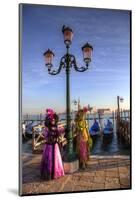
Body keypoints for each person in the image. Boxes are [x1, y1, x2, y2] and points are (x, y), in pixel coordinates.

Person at [40, 109, 65, 180]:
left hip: (55, 146)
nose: (53, 121)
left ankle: (56, 173)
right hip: (49, 146)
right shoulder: (47, 128)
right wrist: (48, 137)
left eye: (54, 120)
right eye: (51, 120)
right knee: (49, 160)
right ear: (49, 121)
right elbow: (45, 135)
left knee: (56, 159)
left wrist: (64, 130)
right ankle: (49, 175)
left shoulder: (56, 127)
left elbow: (60, 132)